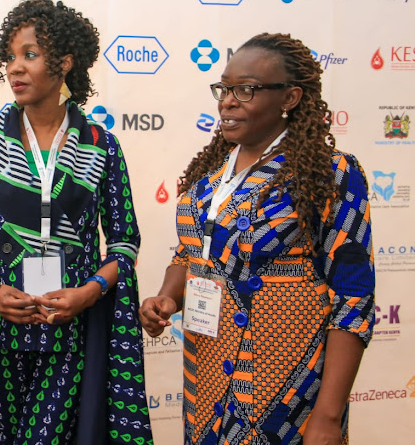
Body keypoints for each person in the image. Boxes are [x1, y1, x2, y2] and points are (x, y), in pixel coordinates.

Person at [0, 0, 153, 445]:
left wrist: (87, 293)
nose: (14, 68)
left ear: (63, 62)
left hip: (70, 328)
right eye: (9, 57)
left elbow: (124, 245)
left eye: (30, 55)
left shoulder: (102, 147)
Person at [140, 33, 375, 445]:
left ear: (290, 98)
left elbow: (353, 297)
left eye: (246, 89)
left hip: (286, 387)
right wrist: (167, 297)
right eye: (224, 88)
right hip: (207, 378)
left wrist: (327, 415)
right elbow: (191, 252)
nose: (227, 101)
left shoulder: (329, 173)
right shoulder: (210, 176)